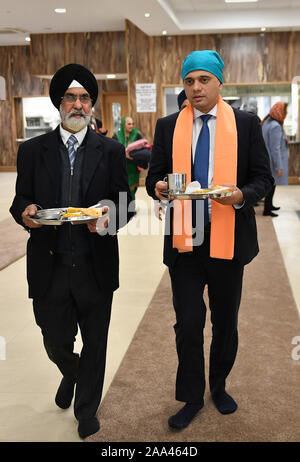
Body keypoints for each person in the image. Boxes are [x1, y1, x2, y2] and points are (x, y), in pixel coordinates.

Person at [146, 50, 273, 430]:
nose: (196, 88)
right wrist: (161, 188)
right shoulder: (168, 126)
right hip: (185, 242)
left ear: (220, 82)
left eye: (203, 80)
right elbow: (153, 179)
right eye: (189, 81)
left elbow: (263, 180)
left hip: (228, 240)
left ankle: (218, 385)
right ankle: (190, 396)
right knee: (187, 323)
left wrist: (239, 197)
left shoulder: (247, 125)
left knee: (225, 322)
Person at [10, 63, 133, 439]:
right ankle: (72, 371)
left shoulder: (112, 150)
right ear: (59, 103)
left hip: (95, 264)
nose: (78, 105)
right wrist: (26, 214)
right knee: (53, 338)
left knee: (96, 342)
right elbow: (21, 200)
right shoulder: (32, 151)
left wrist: (109, 217)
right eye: (71, 97)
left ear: (91, 105)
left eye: (85, 98)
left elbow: (126, 203)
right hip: (50, 266)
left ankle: (86, 410)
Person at [261, 101, 288, 217]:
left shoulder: (267, 122)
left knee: (270, 185)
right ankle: (267, 209)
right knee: (271, 185)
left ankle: (269, 205)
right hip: (272, 162)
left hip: (266, 159)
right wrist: (279, 166)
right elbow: (275, 149)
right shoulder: (275, 126)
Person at [113, 117, 143, 201]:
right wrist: (123, 155)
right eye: (129, 124)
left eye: (132, 124)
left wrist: (134, 155)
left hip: (133, 167)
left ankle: (131, 208)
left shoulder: (137, 134)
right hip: (121, 167)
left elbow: (142, 149)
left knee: (132, 188)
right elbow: (113, 150)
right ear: (123, 125)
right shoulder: (117, 135)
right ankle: (124, 208)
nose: (131, 126)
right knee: (122, 188)